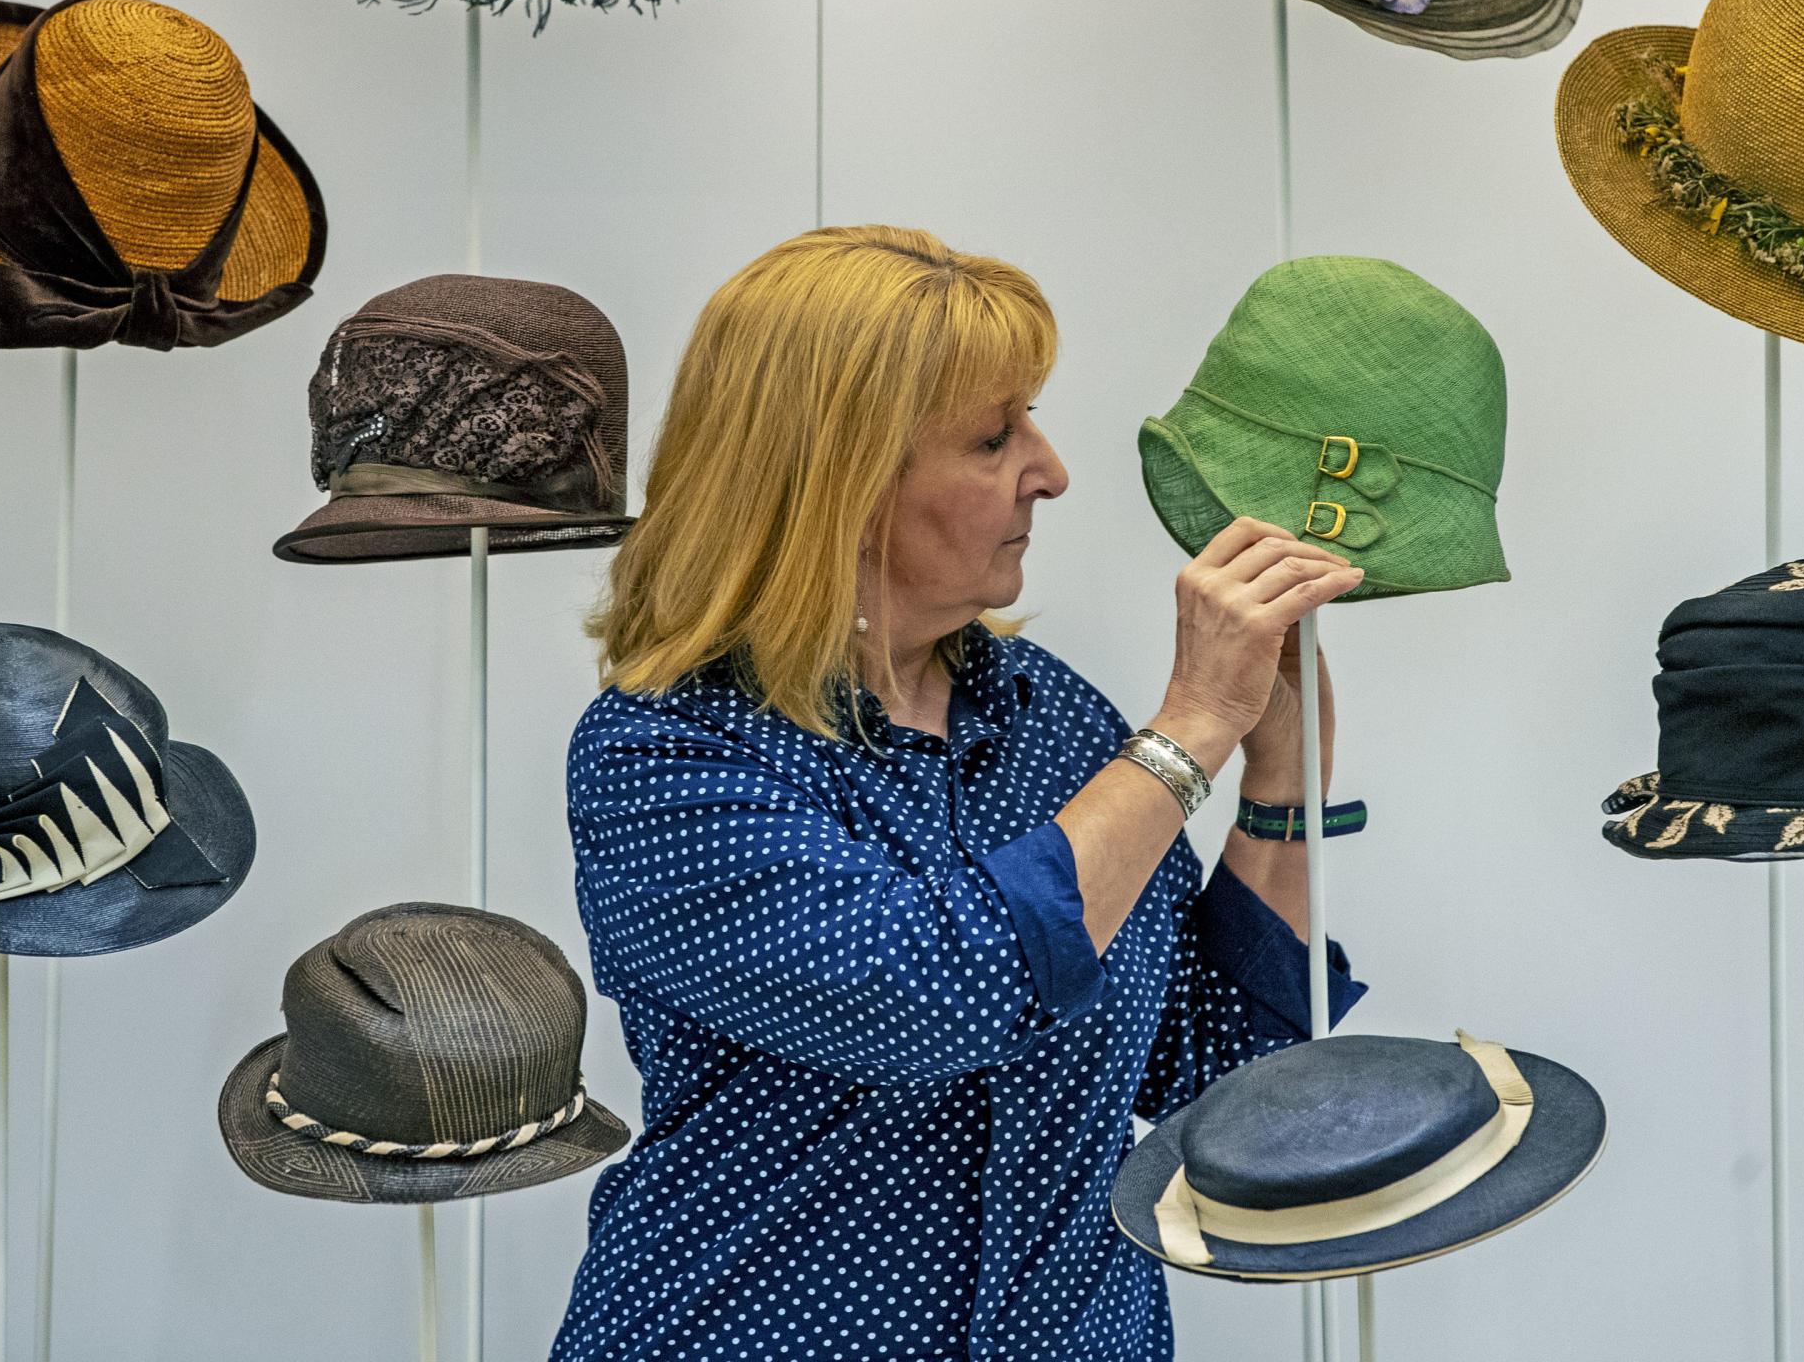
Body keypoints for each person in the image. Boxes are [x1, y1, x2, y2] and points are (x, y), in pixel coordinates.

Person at [551, 226, 1363, 1361]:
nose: (1052, 468)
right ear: (836, 478)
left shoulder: (1051, 715)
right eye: (994, 434)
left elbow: (1214, 1065)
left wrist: (1280, 778)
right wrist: (1184, 737)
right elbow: (932, 994)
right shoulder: (668, 752)